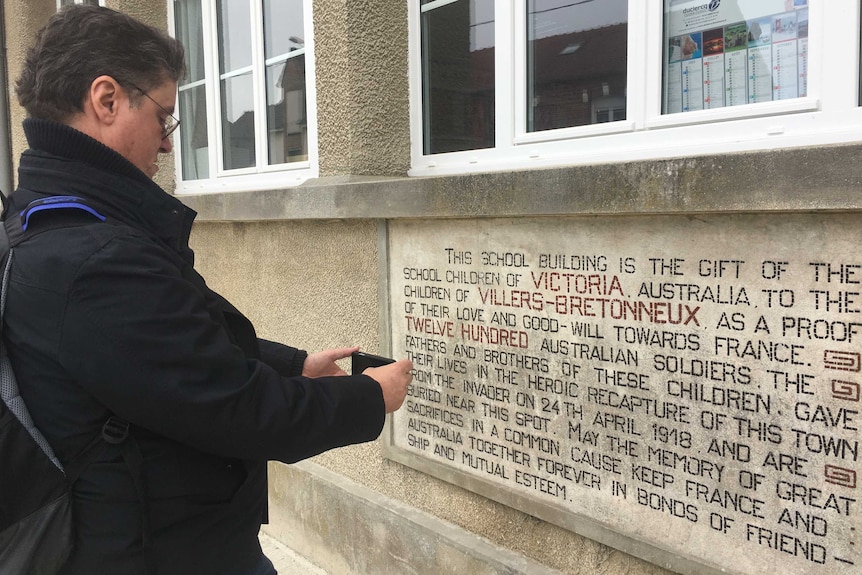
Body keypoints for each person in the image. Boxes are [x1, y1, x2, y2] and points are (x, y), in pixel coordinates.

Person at [6, 5, 412, 574]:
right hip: (159, 553)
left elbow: (172, 345)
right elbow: (235, 410)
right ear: (106, 100)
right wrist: (370, 398)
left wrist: (294, 366)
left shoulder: (49, 220)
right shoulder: (95, 259)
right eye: (164, 118)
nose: (169, 145)